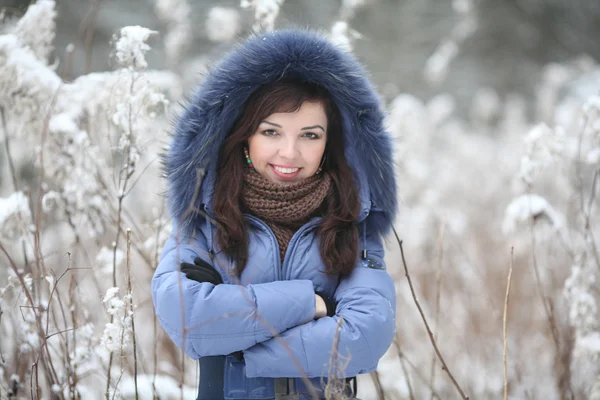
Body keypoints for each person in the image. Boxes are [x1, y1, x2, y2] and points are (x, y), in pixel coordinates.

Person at [152, 29, 398, 400]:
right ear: (244, 136)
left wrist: (236, 347)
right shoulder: (204, 219)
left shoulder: (354, 223)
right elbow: (188, 319)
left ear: (330, 144)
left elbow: (365, 335)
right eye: (271, 131)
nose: (289, 152)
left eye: (310, 135)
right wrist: (311, 303)